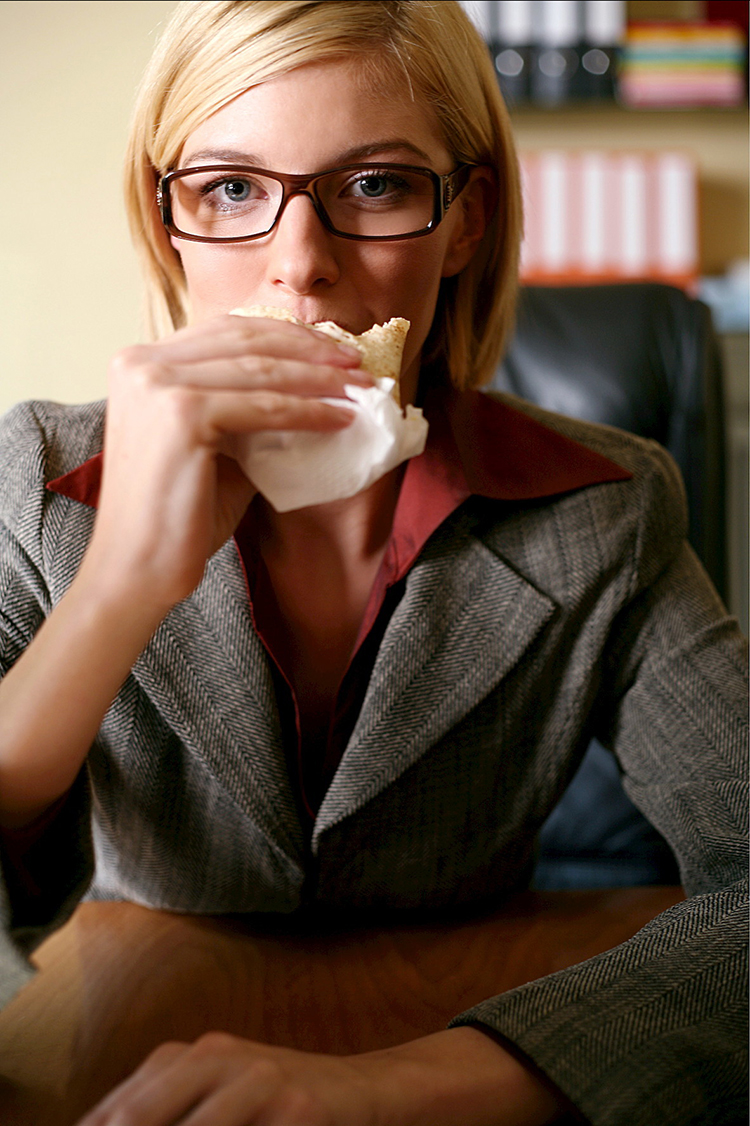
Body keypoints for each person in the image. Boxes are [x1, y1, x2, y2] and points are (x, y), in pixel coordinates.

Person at [0, 2, 746, 1124]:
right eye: (233, 190)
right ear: (167, 225)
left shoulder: (608, 508)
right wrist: (118, 584)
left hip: (457, 1031)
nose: (300, 268)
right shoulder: (37, 480)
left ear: (465, 222)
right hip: (127, 1036)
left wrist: (403, 1083)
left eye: (375, 187)